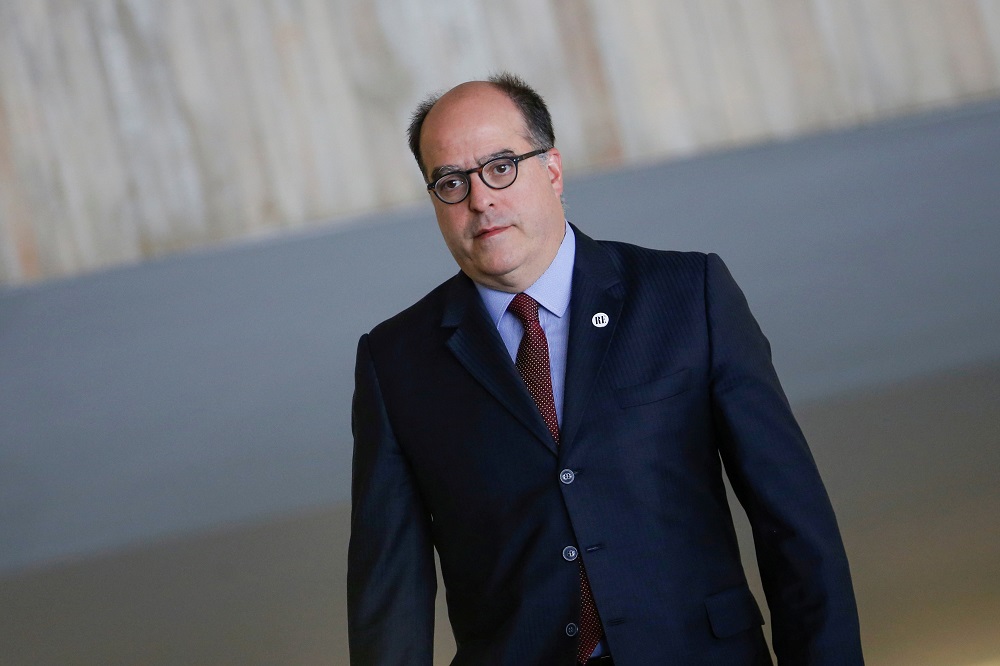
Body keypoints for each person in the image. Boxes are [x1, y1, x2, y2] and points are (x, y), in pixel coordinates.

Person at [348, 72, 863, 665]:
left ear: (552, 170)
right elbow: (390, 592)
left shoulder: (687, 295)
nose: (480, 199)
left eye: (500, 167)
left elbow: (794, 524)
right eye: (451, 182)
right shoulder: (396, 361)